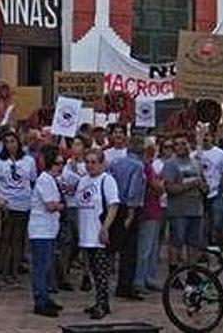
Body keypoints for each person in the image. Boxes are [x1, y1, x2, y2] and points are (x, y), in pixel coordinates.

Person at [76, 150, 119, 320]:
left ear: (101, 163)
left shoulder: (107, 180)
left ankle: (102, 304)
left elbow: (113, 206)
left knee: (102, 272)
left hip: (99, 233)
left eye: (94, 162)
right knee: (93, 271)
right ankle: (101, 302)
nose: (90, 165)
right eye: (87, 162)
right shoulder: (83, 181)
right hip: (86, 232)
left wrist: (105, 228)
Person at [162, 132, 208, 288]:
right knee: (176, 242)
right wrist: (190, 185)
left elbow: (204, 182)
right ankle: (173, 274)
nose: (181, 147)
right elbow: (169, 188)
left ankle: (192, 273)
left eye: (184, 143)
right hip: (178, 210)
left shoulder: (196, 163)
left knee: (193, 243)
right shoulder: (171, 164)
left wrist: (203, 187)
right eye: (177, 144)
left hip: (196, 208)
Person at [0, 130, 36, 287]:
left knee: (18, 240)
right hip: (6, 204)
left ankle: (15, 272)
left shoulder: (28, 161)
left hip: (23, 204)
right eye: (7, 142)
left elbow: (32, 180)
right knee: (5, 239)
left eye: (13, 141)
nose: (10, 144)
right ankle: (3, 272)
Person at [107, 135, 147, 300]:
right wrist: (131, 212)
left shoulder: (116, 163)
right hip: (129, 207)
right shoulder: (138, 166)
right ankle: (125, 285)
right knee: (130, 249)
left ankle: (116, 282)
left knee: (118, 244)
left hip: (115, 204)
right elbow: (134, 189)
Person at [29, 149, 64, 317]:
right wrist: (61, 206)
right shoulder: (44, 180)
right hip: (40, 230)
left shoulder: (52, 180)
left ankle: (45, 296)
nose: (60, 167)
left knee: (46, 266)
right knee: (40, 267)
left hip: (49, 230)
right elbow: (50, 205)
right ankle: (40, 301)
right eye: (58, 163)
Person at [55, 135, 88, 292]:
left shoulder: (87, 164)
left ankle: (86, 276)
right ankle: (64, 275)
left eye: (79, 144)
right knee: (67, 241)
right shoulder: (67, 163)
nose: (75, 147)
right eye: (73, 144)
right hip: (69, 205)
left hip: (84, 207)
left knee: (82, 242)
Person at [134, 138, 165, 293]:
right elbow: (157, 186)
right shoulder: (145, 167)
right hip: (148, 209)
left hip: (154, 209)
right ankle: (140, 279)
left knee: (152, 247)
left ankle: (148, 277)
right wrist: (159, 185)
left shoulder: (149, 165)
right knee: (145, 248)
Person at [196, 128, 223, 247]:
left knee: (218, 223)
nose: (205, 138)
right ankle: (203, 250)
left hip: (216, 193)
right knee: (201, 224)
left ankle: (221, 247)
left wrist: (220, 191)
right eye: (203, 136)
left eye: (207, 135)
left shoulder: (221, 154)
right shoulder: (196, 153)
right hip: (199, 193)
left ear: (212, 137)